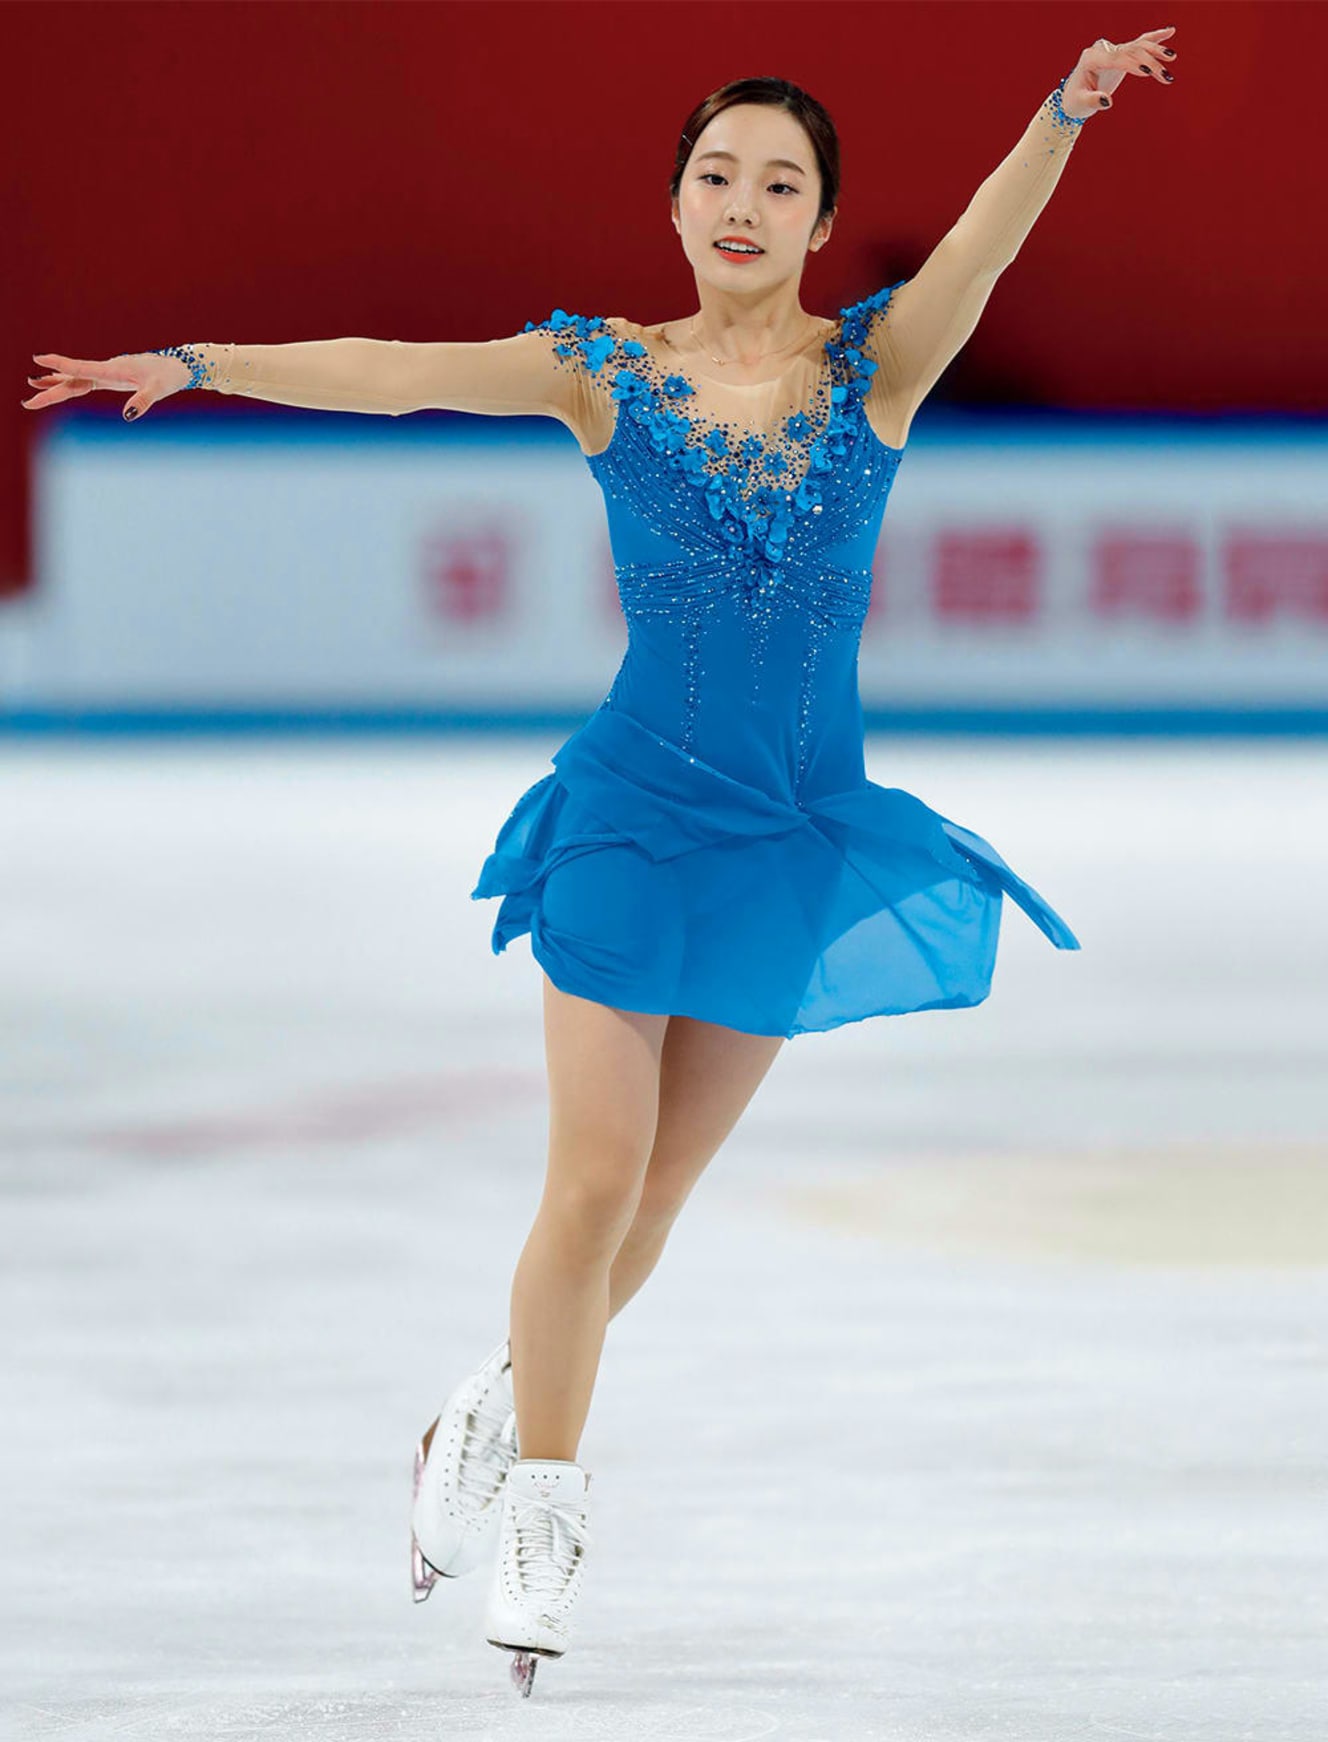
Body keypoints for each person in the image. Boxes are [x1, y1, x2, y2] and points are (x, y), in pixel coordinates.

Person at [22, 32, 1177, 1699]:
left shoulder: (879, 376)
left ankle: (491, 1405)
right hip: (632, 820)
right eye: (717, 173)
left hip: (788, 839)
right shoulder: (601, 374)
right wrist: (201, 359)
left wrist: (1063, 107)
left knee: (655, 1203)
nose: (743, 202)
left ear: (818, 218)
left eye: (781, 182)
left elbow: (991, 237)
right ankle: (546, 1507)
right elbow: (397, 368)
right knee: (589, 1181)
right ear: (675, 200)